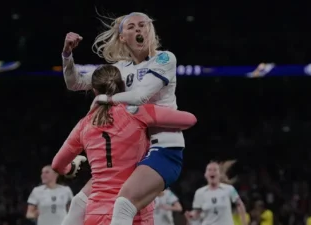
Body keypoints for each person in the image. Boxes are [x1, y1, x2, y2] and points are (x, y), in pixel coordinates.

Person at [61, 11, 188, 225]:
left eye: (143, 25)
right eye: (132, 27)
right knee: (79, 204)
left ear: (150, 30)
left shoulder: (165, 58)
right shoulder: (120, 68)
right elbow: (76, 83)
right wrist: (67, 56)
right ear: (122, 37)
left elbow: (141, 96)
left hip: (163, 148)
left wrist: (104, 99)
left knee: (123, 206)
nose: (139, 29)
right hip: (129, 153)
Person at [52, 65, 197, 225]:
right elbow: (189, 119)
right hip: (133, 215)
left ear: (94, 91)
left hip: (94, 214)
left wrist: (70, 168)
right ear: (123, 86)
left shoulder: (84, 125)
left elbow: (57, 164)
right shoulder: (137, 112)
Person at [184, 161, 247, 225]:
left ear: (220, 174)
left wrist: (244, 223)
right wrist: (191, 215)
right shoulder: (199, 192)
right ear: (205, 174)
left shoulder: (229, 189)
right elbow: (197, 212)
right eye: (209, 170)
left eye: (215, 170)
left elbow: (240, 204)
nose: (212, 172)